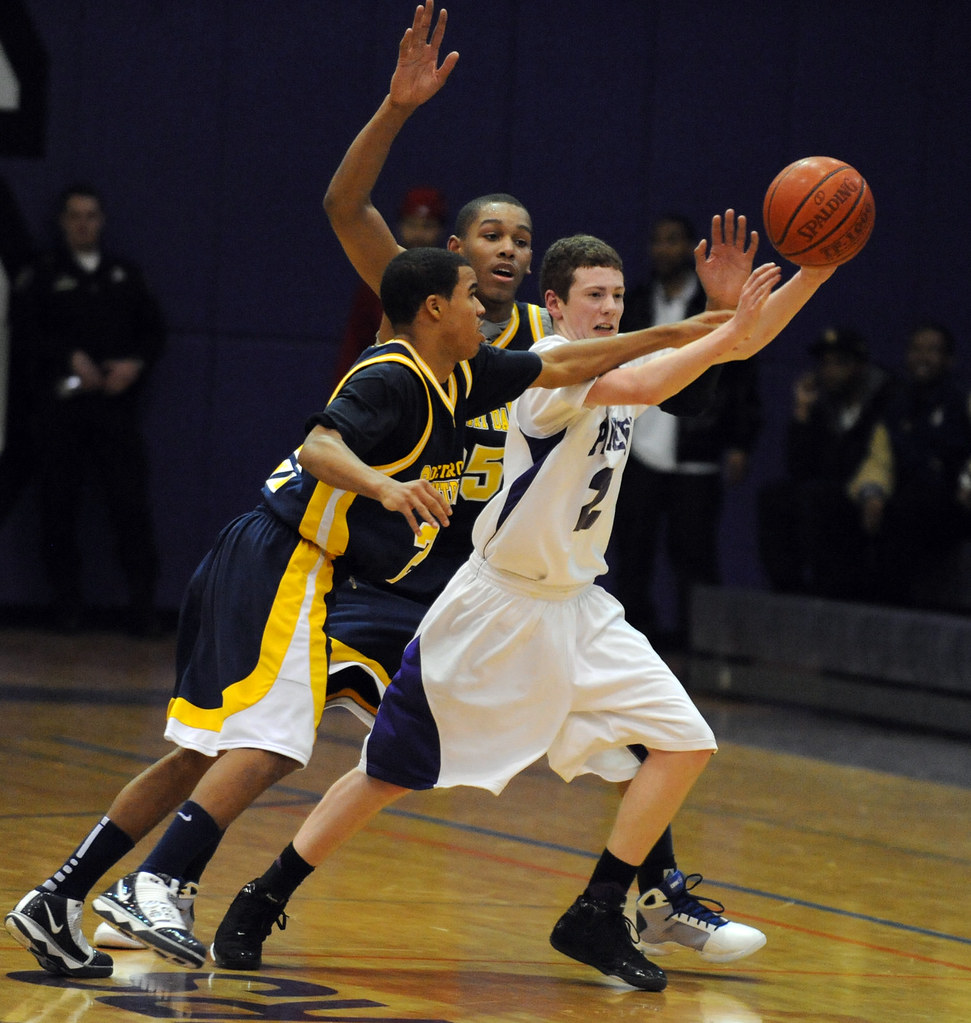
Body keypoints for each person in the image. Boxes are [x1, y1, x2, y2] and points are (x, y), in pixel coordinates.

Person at [5, 242, 730, 979]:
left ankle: (58, 896)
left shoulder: (467, 378)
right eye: (471, 297)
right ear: (434, 308)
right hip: (285, 556)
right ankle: (156, 883)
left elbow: (571, 365)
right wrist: (384, 489)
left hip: (321, 570)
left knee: (203, 749)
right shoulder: (391, 372)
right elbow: (320, 445)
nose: (487, 309)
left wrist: (690, 329)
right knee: (272, 741)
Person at [210, 235, 834, 992]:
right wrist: (724, 324)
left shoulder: (618, 361)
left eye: (616, 296)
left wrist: (820, 265)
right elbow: (674, 368)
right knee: (389, 773)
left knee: (683, 742)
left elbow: (738, 344)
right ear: (556, 307)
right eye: (593, 297)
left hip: (579, 606)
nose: (608, 309)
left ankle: (600, 908)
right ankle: (262, 893)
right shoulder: (548, 380)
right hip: (497, 610)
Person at [306, 0, 765, 969]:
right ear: (449, 264)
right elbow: (346, 211)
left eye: (522, 237)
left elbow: (645, 372)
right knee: (353, 755)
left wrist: (722, 327)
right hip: (414, 572)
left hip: (519, 576)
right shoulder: (430, 316)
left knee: (631, 734)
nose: (510, 248)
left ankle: (647, 893)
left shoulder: (550, 347)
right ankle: (197, 877)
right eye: (491, 237)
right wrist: (394, 110)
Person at [7, 183, 166, 634]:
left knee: (130, 507)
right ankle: (66, 605)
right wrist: (67, 357)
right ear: (62, 222)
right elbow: (27, 336)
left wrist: (132, 366)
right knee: (59, 508)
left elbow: (154, 334)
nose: (83, 223)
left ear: (101, 221)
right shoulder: (43, 275)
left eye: (91, 215)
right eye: (75, 215)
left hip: (115, 412)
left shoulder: (124, 276)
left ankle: (141, 606)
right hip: (62, 412)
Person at [607, 215, 763, 649]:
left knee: (694, 554)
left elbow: (740, 377)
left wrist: (739, 442)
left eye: (672, 240)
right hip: (638, 449)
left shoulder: (715, 304)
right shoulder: (633, 302)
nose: (662, 249)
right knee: (632, 553)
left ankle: (701, 646)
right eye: (656, 240)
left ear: (691, 249)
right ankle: (636, 642)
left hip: (696, 449)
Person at [757, 325, 890, 599]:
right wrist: (802, 412)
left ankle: (829, 592)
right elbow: (798, 468)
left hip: (870, 492)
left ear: (860, 366)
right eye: (825, 364)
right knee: (774, 496)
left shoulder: (886, 399)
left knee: (817, 498)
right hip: (826, 492)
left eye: (840, 363)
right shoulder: (822, 402)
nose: (830, 372)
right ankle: (787, 590)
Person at [848, 322, 971, 606]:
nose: (922, 358)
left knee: (910, 509)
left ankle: (894, 604)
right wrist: (872, 494)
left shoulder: (961, 401)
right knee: (848, 507)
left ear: (949, 360)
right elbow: (879, 460)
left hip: (954, 505)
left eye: (933, 351)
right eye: (916, 350)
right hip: (904, 502)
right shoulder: (896, 405)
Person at [331, 184, 448, 385]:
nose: (418, 234)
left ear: (440, 230)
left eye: (427, 226)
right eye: (412, 224)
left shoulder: (452, 282)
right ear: (400, 226)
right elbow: (355, 344)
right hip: (386, 387)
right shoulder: (378, 278)